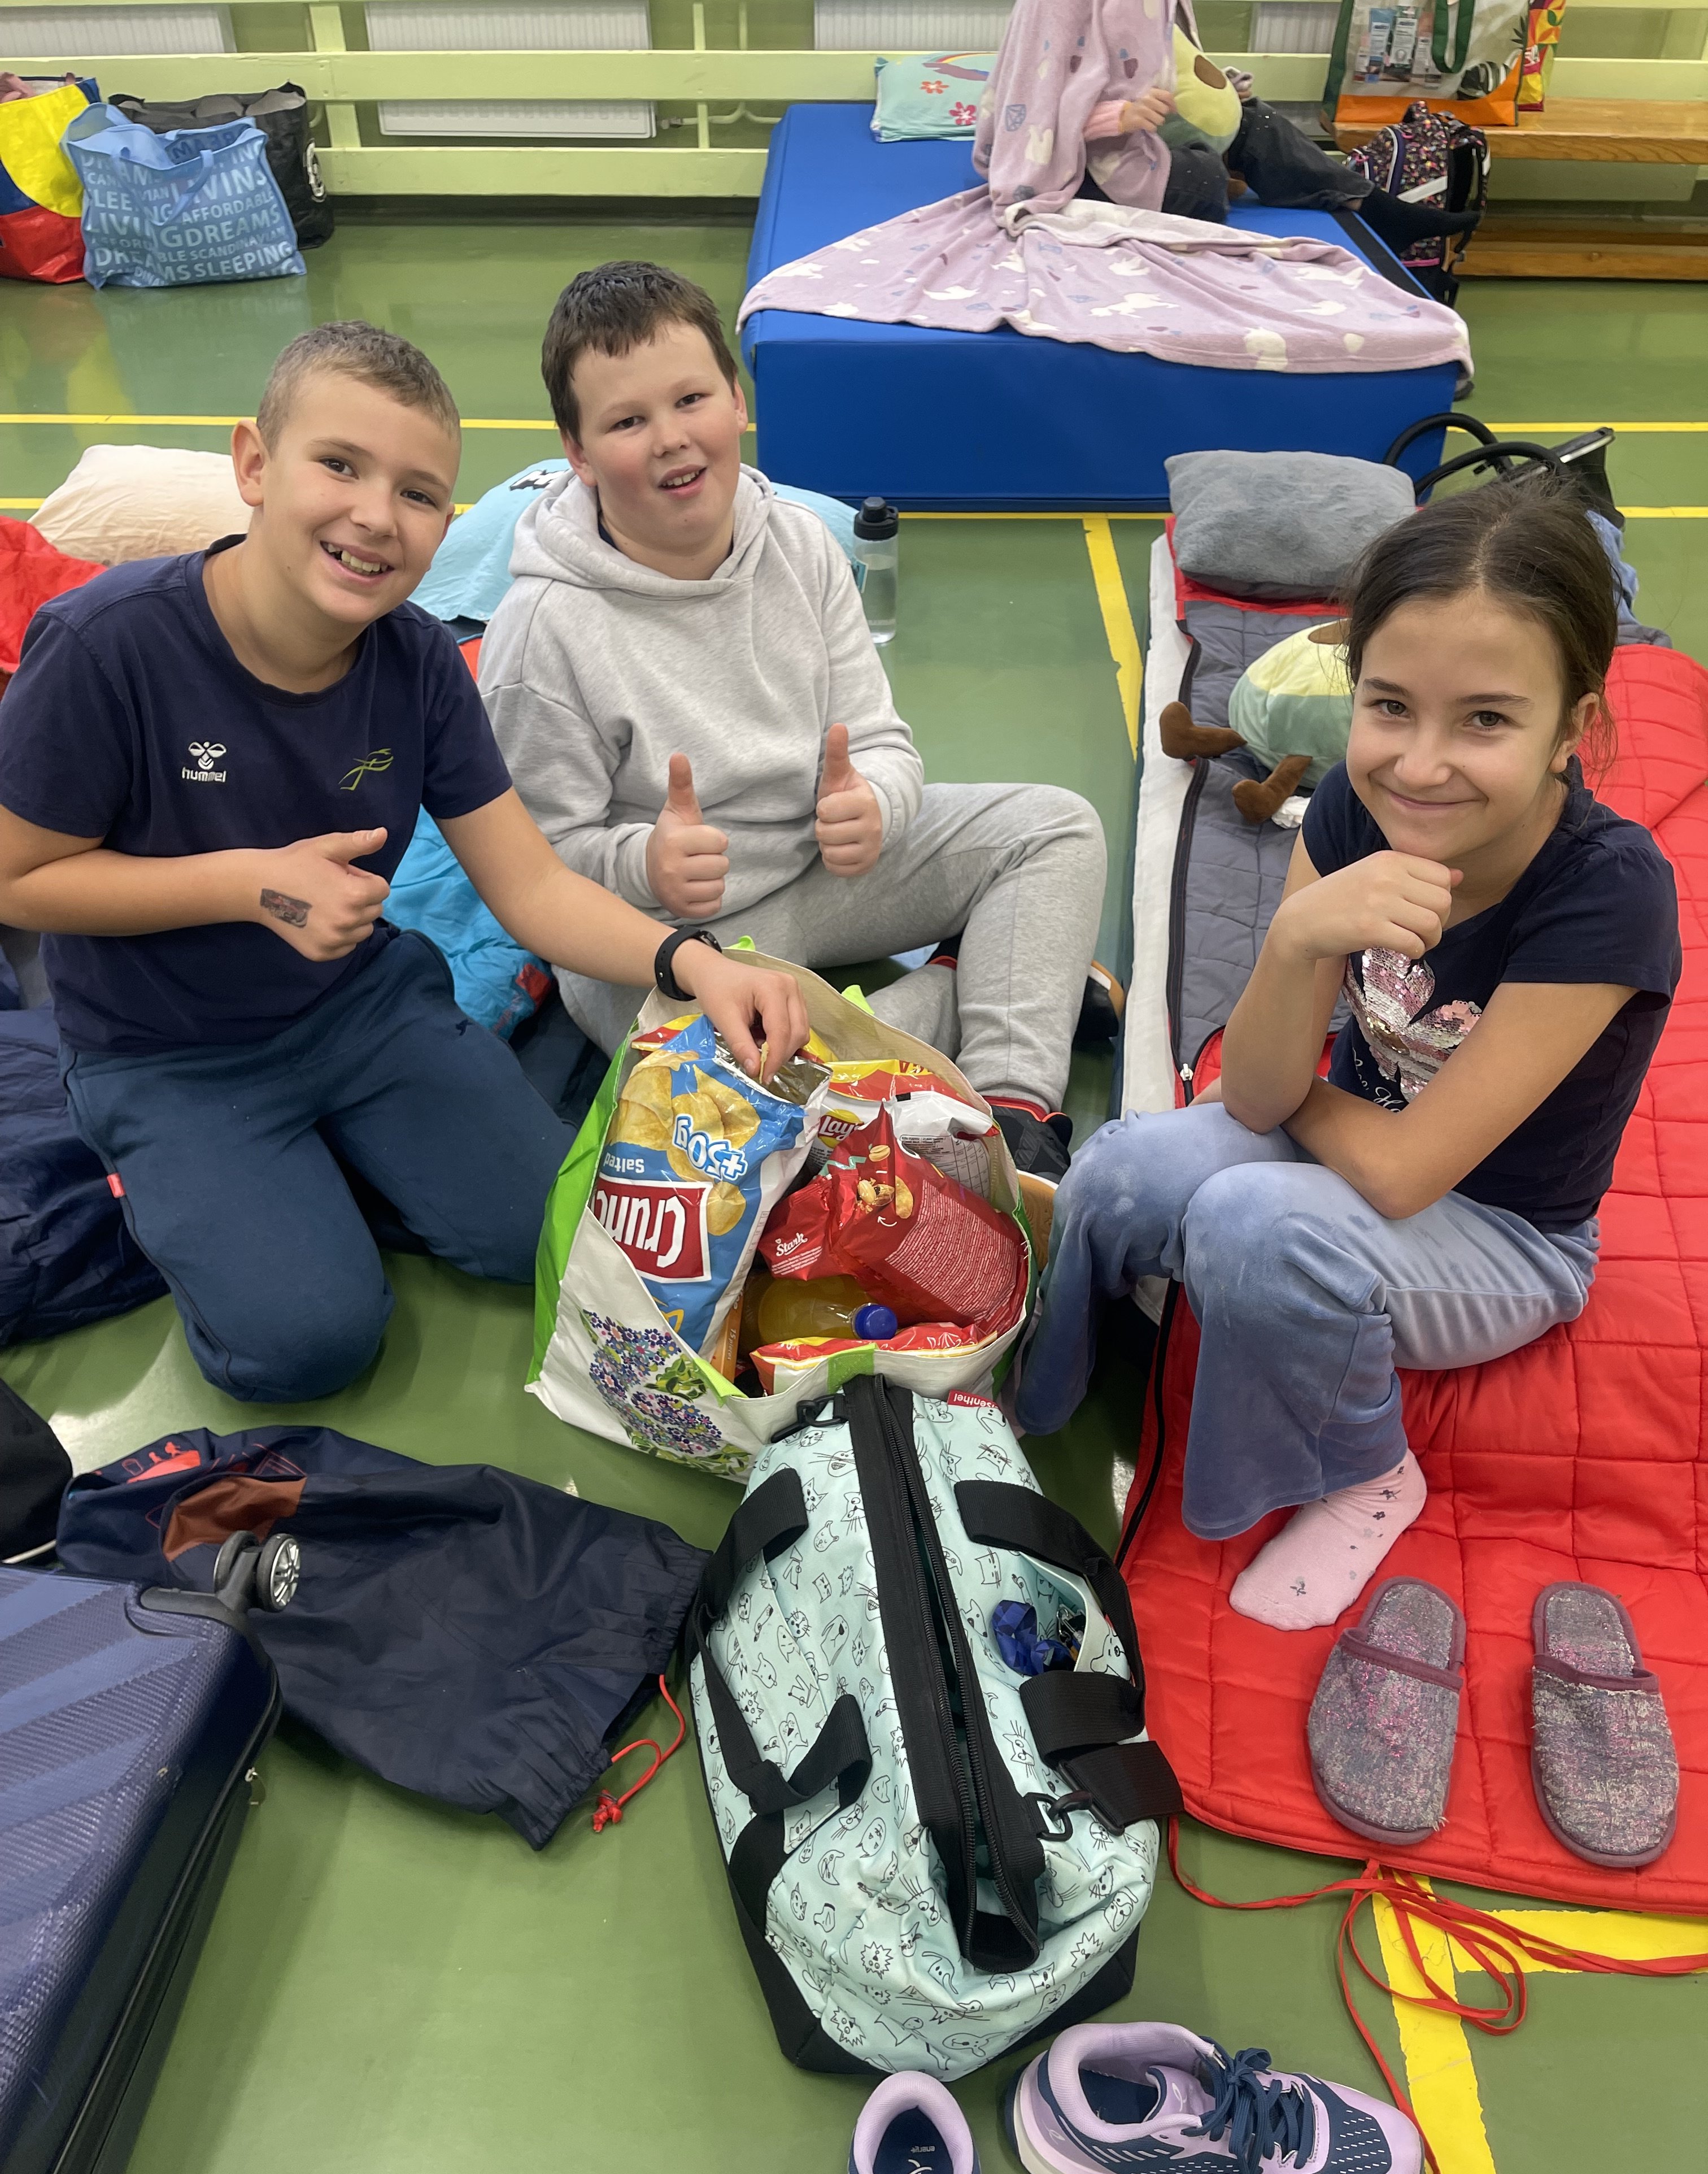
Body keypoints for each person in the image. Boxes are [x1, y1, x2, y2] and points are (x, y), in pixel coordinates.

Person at [0, 320, 807, 1405]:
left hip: (361, 1011)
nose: (377, 516)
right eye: (340, 465)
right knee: (305, 1346)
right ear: (253, 464)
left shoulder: (419, 660)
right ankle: (231, 1186)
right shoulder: (105, 646)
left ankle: (321, 1175)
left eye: (420, 494)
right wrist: (251, 884)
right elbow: (17, 877)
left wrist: (693, 962)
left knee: (557, 1234)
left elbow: (530, 886)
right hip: (166, 1054)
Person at [1010, 482, 1680, 1629]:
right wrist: (1297, 940)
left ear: (1572, 728)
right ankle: (1046, 1379)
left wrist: (1282, 1104)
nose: (1421, 766)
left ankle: (1367, 1473)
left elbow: (1403, 1172)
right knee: (1119, 1167)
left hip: (1506, 1236)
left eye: (1485, 720)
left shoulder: (1608, 895)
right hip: (1344, 1148)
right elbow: (1257, 1092)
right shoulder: (1352, 817)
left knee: (1249, 1223)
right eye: (1391, 707)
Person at [477, 260, 1107, 1184]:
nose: (670, 438)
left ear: (738, 401)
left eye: (691, 399)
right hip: (666, 949)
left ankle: (1015, 1112)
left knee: (1055, 828)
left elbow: (882, 742)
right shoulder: (542, 632)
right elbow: (538, 866)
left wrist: (876, 804)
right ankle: (979, 987)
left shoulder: (803, 545)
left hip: (818, 875)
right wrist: (643, 861)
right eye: (626, 421)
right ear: (577, 452)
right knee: (728, 1105)